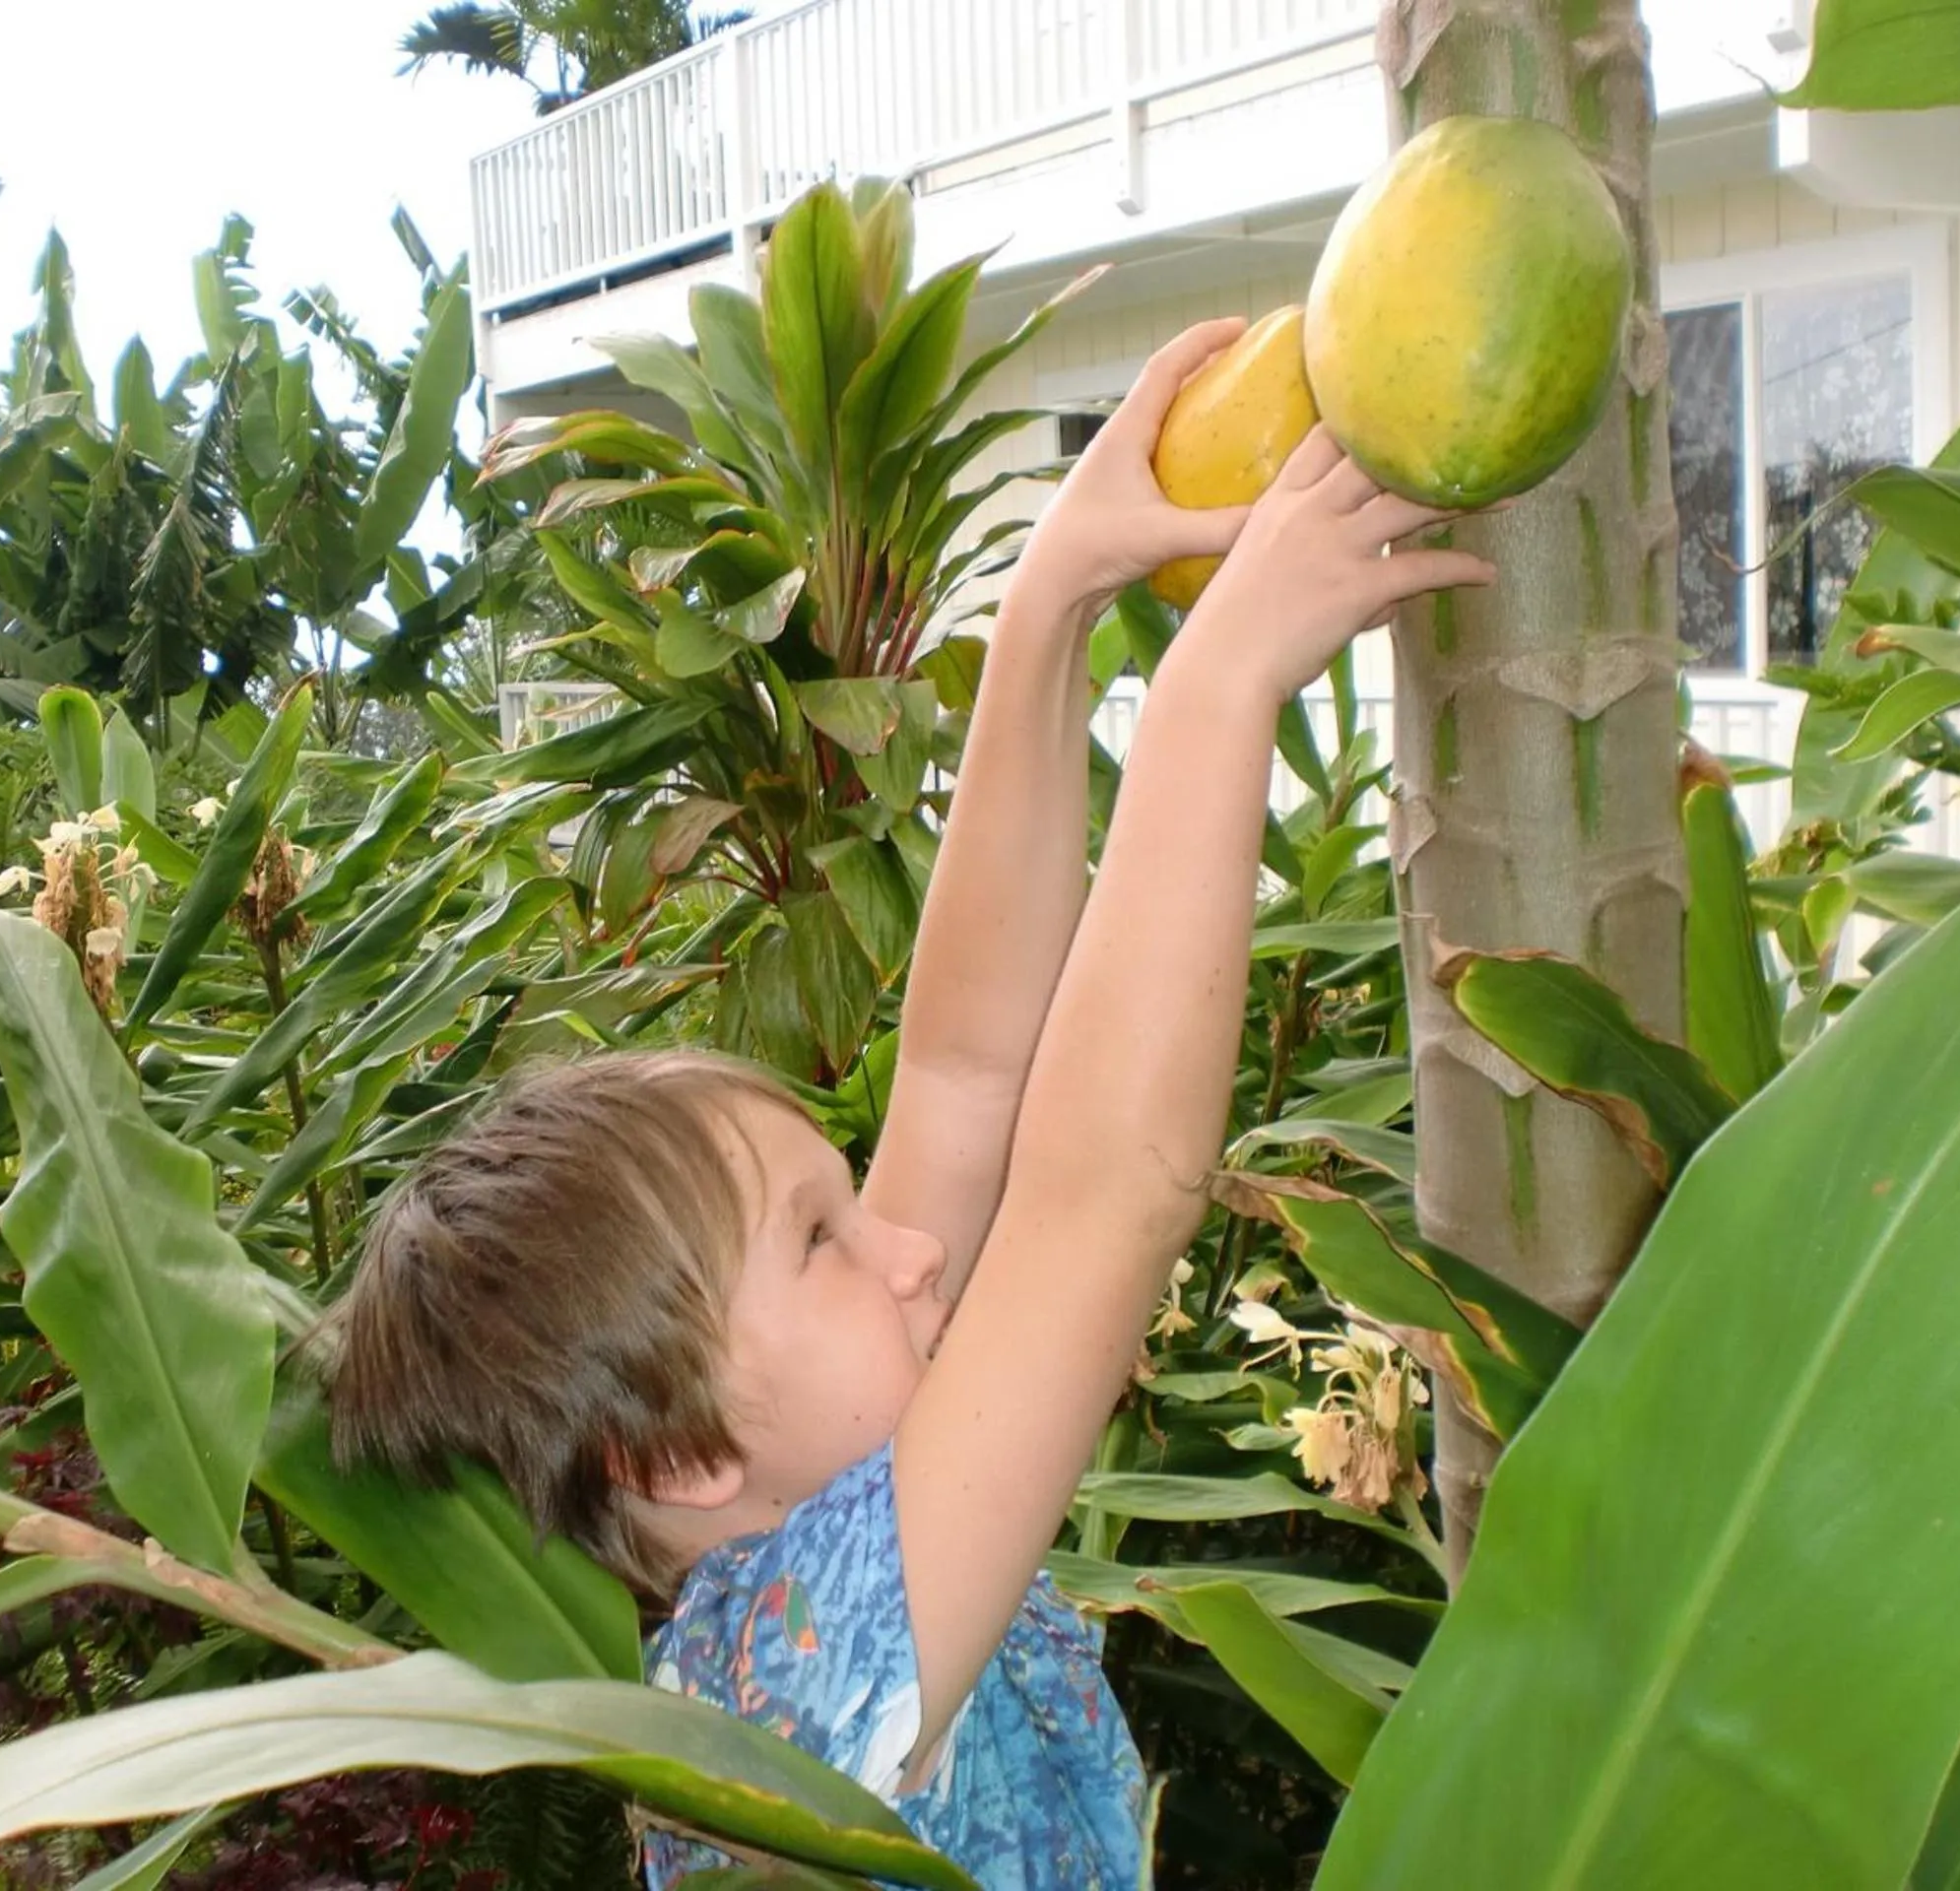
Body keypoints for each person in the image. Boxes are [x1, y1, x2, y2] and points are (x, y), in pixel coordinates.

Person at [321, 318, 1495, 1888]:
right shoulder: (812, 1680)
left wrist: (1051, 607)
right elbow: (1104, 1191)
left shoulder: (806, 1484)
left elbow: (961, 1070)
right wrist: (1215, 693)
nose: (910, 1246)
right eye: (822, 1241)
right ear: (679, 1464)